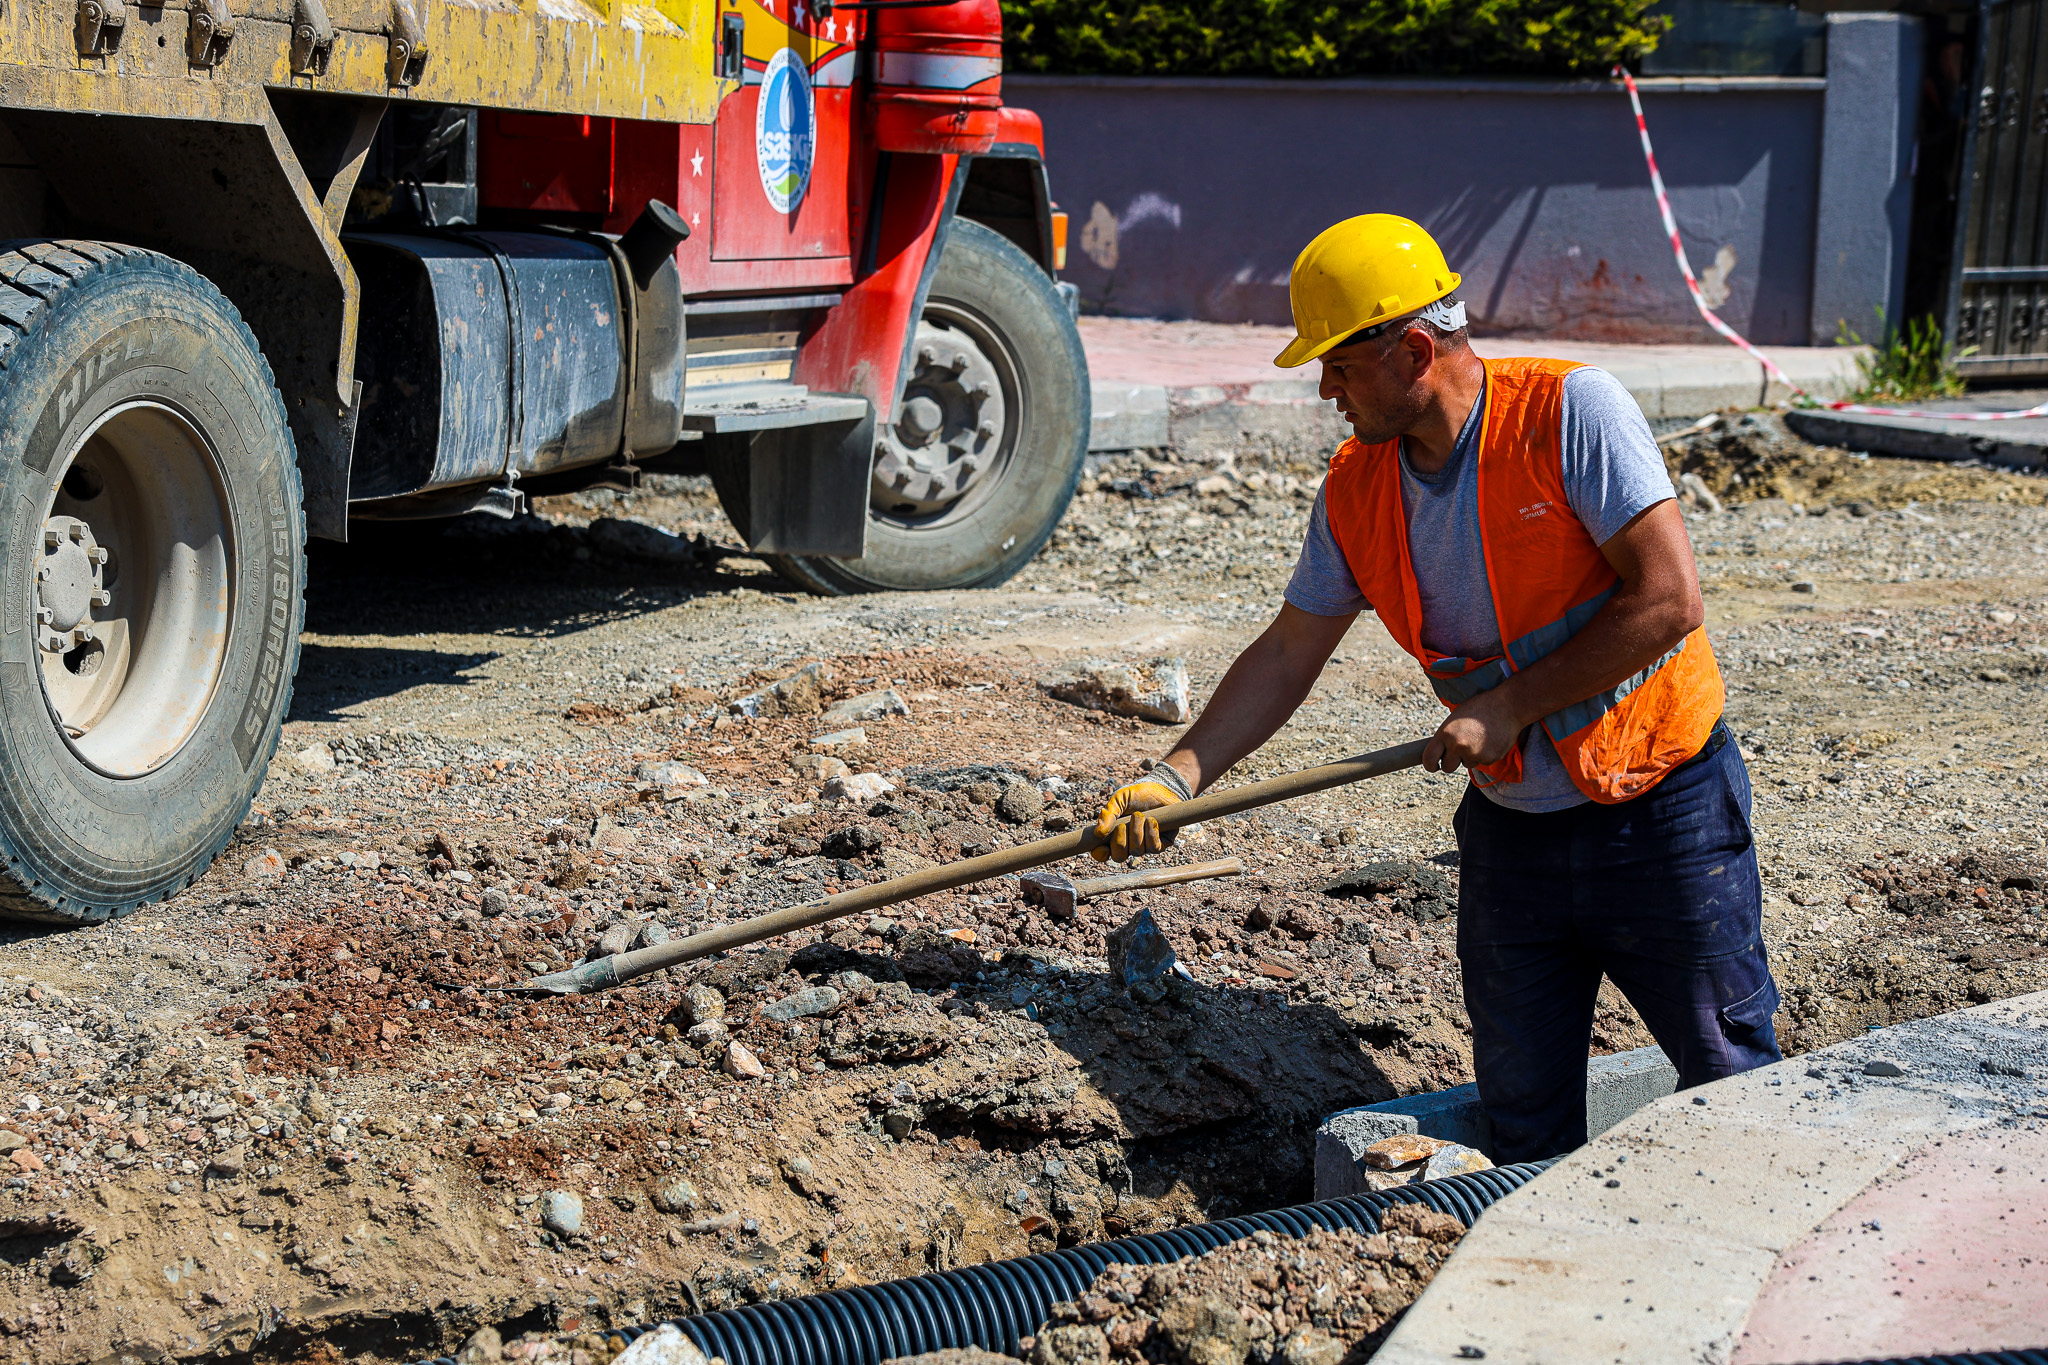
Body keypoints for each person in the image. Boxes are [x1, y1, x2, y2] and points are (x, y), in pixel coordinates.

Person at [1087, 215, 1780, 1163]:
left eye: (1337, 362)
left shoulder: (1572, 414)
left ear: (1414, 348)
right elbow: (1291, 649)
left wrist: (1507, 707)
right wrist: (1179, 776)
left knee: (1733, 1083)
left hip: (1659, 813)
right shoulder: (1357, 487)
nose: (1323, 387)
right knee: (1525, 1122)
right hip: (1514, 839)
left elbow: (1668, 599)